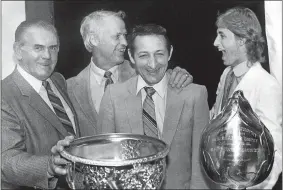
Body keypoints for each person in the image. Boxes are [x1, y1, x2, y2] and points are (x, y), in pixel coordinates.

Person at [98, 24, 210, 189]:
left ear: (170, 53)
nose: (153, 64)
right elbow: (105, 162)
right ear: (131, 56)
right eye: (143, 55)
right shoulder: (113, 96)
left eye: (159, 54)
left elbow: (201, 166)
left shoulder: (194, 95)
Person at [67, 10, 193, 136]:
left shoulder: (143, 73)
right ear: (94, 39)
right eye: (117, 36)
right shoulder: (70, 88)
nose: (125, 43)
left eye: (124, 35)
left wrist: (178, 76)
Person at [210, 7, 282, 189]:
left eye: (222, 35)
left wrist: (251, 187)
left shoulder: (266, 85)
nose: (215, 42)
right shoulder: (227, 75)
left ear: (242, 40)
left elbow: (275, 152)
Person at [1, 20, 77, 189]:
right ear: (18, 51)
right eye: (38, 48)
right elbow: (5, 161)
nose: (47, 56)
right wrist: (49, 166)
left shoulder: (58, 80)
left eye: (53, 47)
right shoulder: (3, 95)